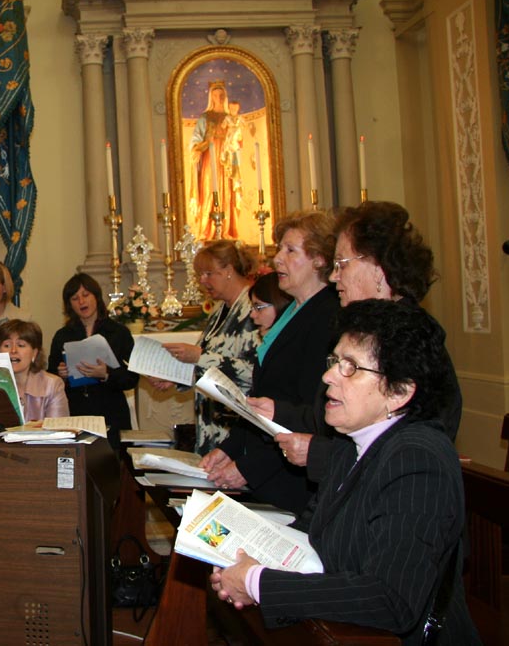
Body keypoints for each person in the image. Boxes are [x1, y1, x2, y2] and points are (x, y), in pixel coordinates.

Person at [210, 300, 480, 645]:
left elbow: (391, 599)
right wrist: (246, 555)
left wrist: (257, 582)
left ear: (399, 392)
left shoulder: (417, 460)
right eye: (335, 361)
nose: (328, 376)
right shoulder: (351, 444)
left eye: (351, 367)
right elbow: (310, 534)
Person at [253, 201, 462, 483]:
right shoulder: (363, 331)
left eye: (341, 264)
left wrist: (319, 454)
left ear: (378, 268)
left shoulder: (411, 341)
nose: (333, 276)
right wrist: (279, 412)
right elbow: (329, 416)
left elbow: (410, 452)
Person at [202, 211, 338, 515]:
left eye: (290, 251)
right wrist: (230, 448)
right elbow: (263, 397)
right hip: (268, 464)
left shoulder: (326, 316)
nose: (278, 259)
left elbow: (306, 413)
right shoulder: (292, 310)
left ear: (319, 259)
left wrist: (250, 468)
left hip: (293, 474)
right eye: (279, 249)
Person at [156, 241, 260, 454]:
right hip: (211, 425)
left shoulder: (253, 309)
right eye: (200, 275)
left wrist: (199, 356)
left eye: (208, 274)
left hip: (238, 428)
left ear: (228, 270)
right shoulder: (220, 310)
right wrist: (174, 377)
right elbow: (204, 363)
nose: (202, 281)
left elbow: (254, 371)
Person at [49, 273, 139, 449]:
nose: (81, 301)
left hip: (111, 412)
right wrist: (61, 375)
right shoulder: (62, 335)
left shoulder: (118, 332)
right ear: (69, 304)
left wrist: (106, 374)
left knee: (112, 462)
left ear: (96, 297)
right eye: (75, 298)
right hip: (75, 412)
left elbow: (132, 378)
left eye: (86, 295)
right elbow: (49, 375)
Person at [189, 80, 239, 240]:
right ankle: (207, 230)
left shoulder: (230, 118)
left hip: (226, 159)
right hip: (210, 157)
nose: (219, 98)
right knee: (210, 190)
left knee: (227, 192)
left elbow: (237, 139)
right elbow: (195, 140)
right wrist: (203, 144)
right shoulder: (205, 117)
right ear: (211, 97)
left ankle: (226, 230)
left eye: (222, 95)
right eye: (216, 95)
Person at [0, 319, 68, 422]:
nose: (13, 351)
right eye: (7, 345)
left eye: (21, 345)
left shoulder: (52, 385)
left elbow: (58, 429)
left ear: (34, 353)